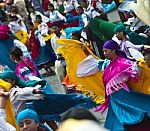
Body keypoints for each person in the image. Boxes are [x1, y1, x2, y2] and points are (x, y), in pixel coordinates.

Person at [94, 40, 150, 130]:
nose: (104, 53)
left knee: (132, 115)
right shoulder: (107, 66)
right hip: (114, 98)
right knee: (118, 120)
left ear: (113, 50)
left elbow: (135, 69)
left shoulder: (122, 62)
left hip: (123, 96)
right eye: (103, 51)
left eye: (106, 51)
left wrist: (139, 66)